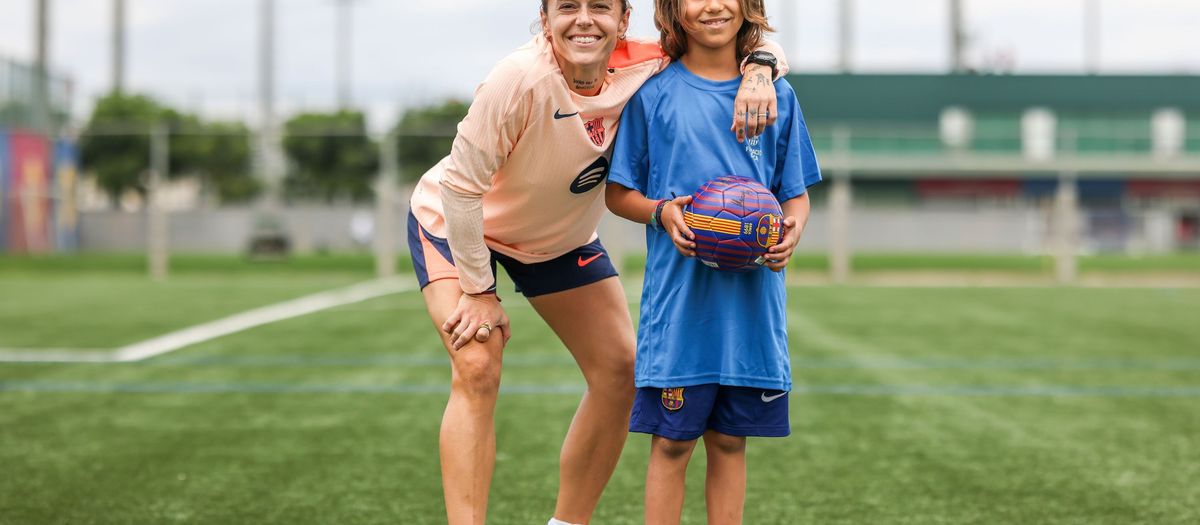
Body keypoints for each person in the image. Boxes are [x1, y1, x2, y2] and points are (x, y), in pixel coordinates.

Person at [407, 1, 790, 523]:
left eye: (600, 8)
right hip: (457, 225)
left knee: (621, 371)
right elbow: (459, 190)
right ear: (545, 21)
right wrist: (479, 291)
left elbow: (743, 40)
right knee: (478, 362)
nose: (585, 20)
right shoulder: (517, 79)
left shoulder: (650, 63)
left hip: (555, 239)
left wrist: (760, 72)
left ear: (623, 21)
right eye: (568, 7)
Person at [604, 0, 822, 523]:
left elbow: (795, 194)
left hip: (751, 310)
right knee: (672, 445)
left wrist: (792, 229)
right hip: (680, 311)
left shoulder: (779, 97)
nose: (713, 5)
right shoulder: (653, 95)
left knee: (729, 442)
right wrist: (661, 213)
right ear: (673, 10)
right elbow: (618, 192)